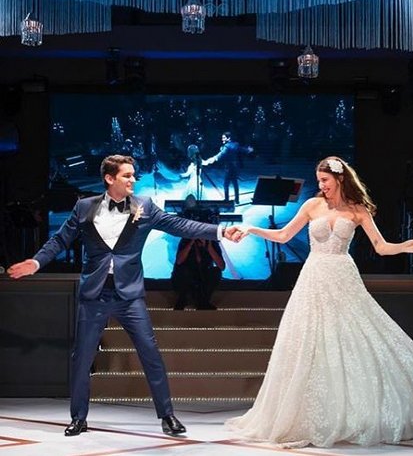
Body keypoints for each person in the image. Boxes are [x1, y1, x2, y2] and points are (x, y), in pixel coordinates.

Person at [226, 156, 413, 448]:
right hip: (314, 277)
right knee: (309, 341)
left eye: (325, 180)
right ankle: (309, 416)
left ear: (339, 179)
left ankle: (353, 413)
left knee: (354, 339)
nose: (321, 186)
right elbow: (283, 235)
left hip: (343, 276)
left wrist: (404, 247)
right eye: (319, 181)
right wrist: (251, 230)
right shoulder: (312, 205)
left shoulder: (358, 210)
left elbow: (380, 247)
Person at [7, 155, 243, 438]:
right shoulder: (84, 207)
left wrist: (220, 231)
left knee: (150, 354)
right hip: (94, 294)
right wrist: (36, 262)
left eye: (133, 175)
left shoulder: (144, 206)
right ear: (109, 179)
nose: (133, 180)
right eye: (127, 175)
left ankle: (167, 416)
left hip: (129, 296)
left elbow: (180, 225)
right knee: (82, 357)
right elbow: (60, 239)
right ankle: (78, 418)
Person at [172, 237, 225, 310]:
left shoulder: (212, 243)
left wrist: (210, 248)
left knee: (216, 272)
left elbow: (221, 266)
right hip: (187, 275)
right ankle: (182, 299)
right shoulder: (186, 240)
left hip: (203, 276)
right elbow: (179, 261)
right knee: (183, 271)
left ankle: (203, 301)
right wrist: (191, 243)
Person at [202, 131, 253, 204]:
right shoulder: (235, 144)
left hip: (229, 168)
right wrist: (248, 150)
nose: (222, 139)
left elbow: (221, 154)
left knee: (226, 184)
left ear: (228, 138)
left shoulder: (226, 146)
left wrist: (212, 159)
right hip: (235, 167)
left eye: (224, 138)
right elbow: (241, 149)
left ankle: (226, 200)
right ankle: (237, 200)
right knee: (235, 183)